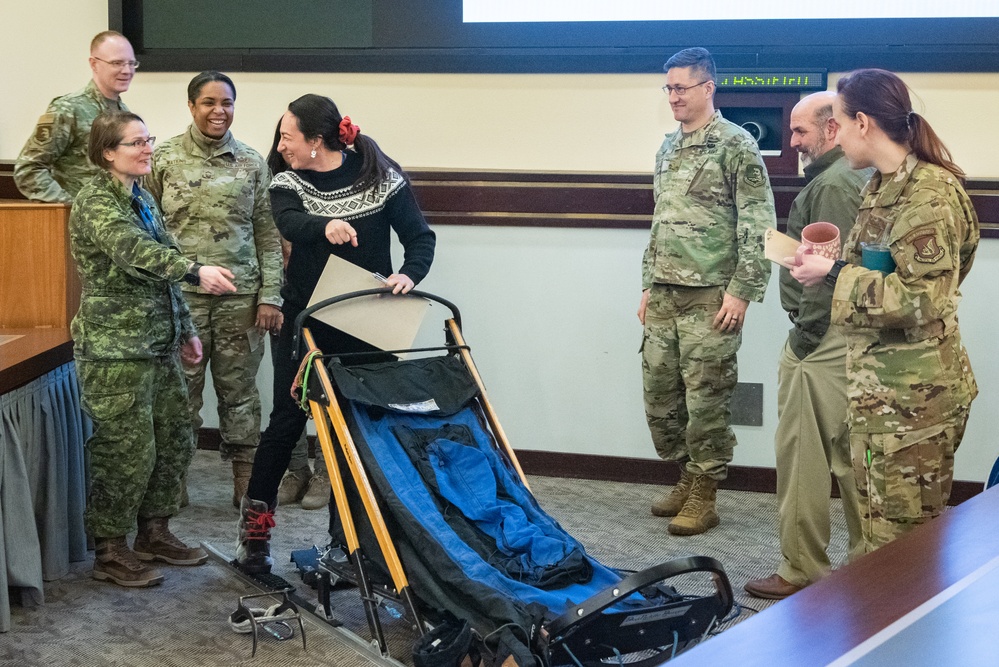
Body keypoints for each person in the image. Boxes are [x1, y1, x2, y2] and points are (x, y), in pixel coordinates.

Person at [235, 94, 436, 573]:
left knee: (362, 428)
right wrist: (326, 227)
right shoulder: (287, 180)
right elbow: (290, 222)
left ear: (316, 141)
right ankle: (254, 537)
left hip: (369, 320)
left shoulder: (382, 178)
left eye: (288, 135)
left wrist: (409, 274)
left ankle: (348, 540)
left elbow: (420, 238)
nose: (280, 144)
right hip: (308, 322)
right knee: (286, 422)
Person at [788, 69, 979, 553]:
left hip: (914, 404)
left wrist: (830, 276)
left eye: (840, 123)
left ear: (863, 123)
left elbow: (921, 298)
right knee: (878, 541)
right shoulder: (879, 186)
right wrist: (830, 267)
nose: (835, 135)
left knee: (904, 552)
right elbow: (882, 270)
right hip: (879, 396)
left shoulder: (928, 194)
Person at [70, 110, 237, 587]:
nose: (148, 149)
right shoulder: (96, 201)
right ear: (108, 152)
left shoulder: (142, 198)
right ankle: (110, 549)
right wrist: (196, 269)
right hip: (114, 350)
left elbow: (161, 277)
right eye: (136, 143)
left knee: (175, 439)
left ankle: (154, 533)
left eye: (149, 140)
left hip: (157, 343)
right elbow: (136, 252)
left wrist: (185, 329)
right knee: (125, 451)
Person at [638, 47, 774, 536]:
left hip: (712, 298)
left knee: (706, 402)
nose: (673, 96)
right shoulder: (668, 147)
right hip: (665, 295)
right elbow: (661, 223)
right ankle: (685, 474)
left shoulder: (736, 145)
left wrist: (741, 293)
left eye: (681, 87)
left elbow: (759, 224)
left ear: (707, 88)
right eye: (668, 88)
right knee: (660, 399)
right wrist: (650, 285)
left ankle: (705, 492)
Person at [744, 92, 870, 600]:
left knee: (804, 457)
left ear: (833, 129)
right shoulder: (851, 176)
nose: (791, 141)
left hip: (822, 339)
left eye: (800, 131)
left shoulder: (836, 183)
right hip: (846, 337)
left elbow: (827, 276)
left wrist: (806, 336)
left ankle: (801, 571)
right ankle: (872, 570)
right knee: (851, 458)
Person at [146, 71, 284, 508]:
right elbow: (146, 230)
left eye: (226, 102)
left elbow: (268, 233)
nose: (218, 111)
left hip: (239, 301)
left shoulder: (251, 162)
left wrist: (270, 296)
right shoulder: (161, 157)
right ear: (191, 106)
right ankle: (174, 487)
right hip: (179, 301)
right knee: (177, 397)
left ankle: (245, 489)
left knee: (240, 395)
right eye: (209, 102)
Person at [264, 118, 331, 511]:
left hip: (326, 297)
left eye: (292, 137)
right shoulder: (275, 178)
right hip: (285, 297)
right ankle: (296, 469)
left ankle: (325, 470)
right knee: (286, 392)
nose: (286, 145)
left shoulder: (340, 182)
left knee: (327, 388)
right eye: (283, 138)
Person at [15, 31, 136, 202]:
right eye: (117, 63)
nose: (127, 70)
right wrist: (71, 207)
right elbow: (29, 169)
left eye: (131, 63)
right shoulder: (68, 109)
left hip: (114, 219)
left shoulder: (124, 113)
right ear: (94, 64)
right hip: (78, 222)